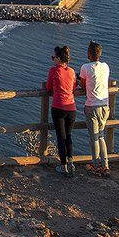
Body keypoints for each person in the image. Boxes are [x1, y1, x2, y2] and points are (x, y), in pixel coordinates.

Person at [78, 40, 111, 176]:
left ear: (89, 54)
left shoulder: (85, 67)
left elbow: (83, 86)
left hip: (92, 106)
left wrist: (77, 80)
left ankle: (96, 165)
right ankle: (105, 164)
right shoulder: (106, 66)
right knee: (101, 136)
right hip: (105, 106)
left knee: (94, 137)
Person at [45, 45, 77, 176]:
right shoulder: (72, 71)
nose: (53, 59)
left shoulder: (53, 70)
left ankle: (63, 166)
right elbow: (73, 88)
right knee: (68, 136)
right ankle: (71, 162)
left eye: (54, 57)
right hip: (72, 108)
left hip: (58, 107)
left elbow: (48, 88)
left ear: (58, 58)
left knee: (61, 137)